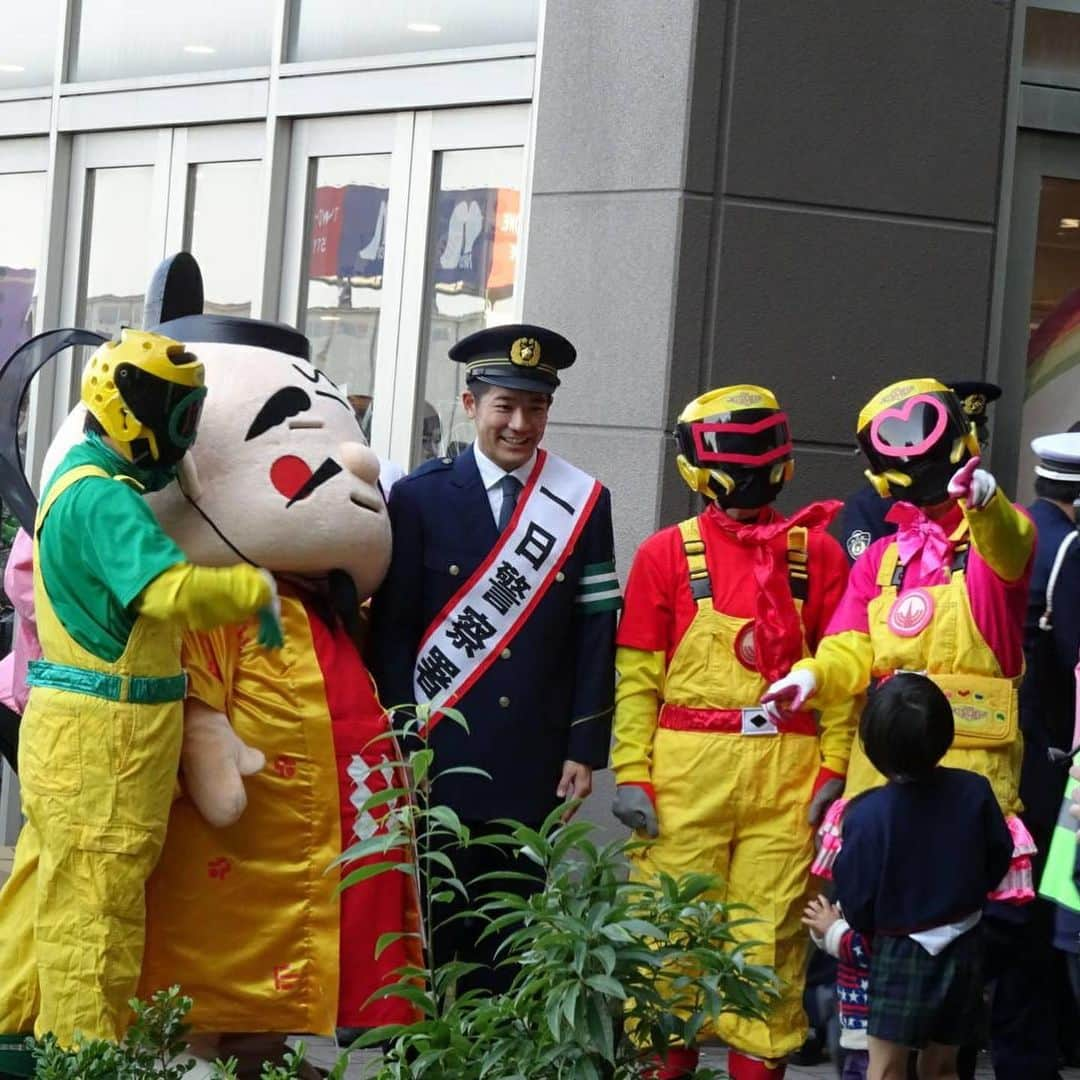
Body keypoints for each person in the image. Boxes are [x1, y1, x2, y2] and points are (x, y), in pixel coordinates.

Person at [0, 329, 282, 1065]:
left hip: (84, 734)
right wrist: (249, 589)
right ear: (131, 413)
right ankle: (82, 1059)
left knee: (46, 896)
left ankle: (11, 1030)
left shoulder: (79, 481)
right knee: (97, 913)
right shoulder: (104, 501)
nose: (180, 436)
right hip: (107, 743)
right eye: (175, 416)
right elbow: (166, 591)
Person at [611, 385, 853, 1080]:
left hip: (788, 771)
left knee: (770, 948)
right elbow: (638, 678)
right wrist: (631, 771)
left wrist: (833, 766)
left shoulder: (819, 555)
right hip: (688, 773)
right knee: (669, 944)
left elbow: (839, 676)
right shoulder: (665, 554)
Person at [369, 323, 619, 995]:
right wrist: (401, 741)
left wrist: (584, 746)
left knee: (515, 923)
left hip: (532, 753)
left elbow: (597, 631)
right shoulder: (419, 498)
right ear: (469, 403)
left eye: (535, 408)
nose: (519, 424)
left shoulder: (584, 504)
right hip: (442, 749)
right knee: (439, 922)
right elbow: (393, 635)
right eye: (504, 406)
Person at [763, 378, 1035, 894]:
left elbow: (1010, 543)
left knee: (948, 941)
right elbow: (850, 643)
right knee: (868, 937)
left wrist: (986, 506)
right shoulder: (881, 559)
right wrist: (811, 675)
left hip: (965, 779)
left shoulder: (991, 544)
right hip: (881, 775)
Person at [833, 674, 1013, 1080]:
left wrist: (863, 926)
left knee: (886, 1068)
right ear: (946, 736)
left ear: (871, 747)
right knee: (944, 1065)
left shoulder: (867, 815)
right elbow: (999, 856)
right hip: (963, 942)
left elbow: (857, 898)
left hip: (899, 952)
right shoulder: (975, 791)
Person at [838, 380, 1001, 564]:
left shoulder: (988, 501)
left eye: (978, 444)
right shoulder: (874, 503)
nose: (971, 453)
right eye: (958, 444)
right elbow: (866, 575)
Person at [803, 894, 870, 1080]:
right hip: (851, 1023)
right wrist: (822, 929)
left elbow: (873, 948)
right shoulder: (856, 881)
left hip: (873, 1031)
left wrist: (832, 929)